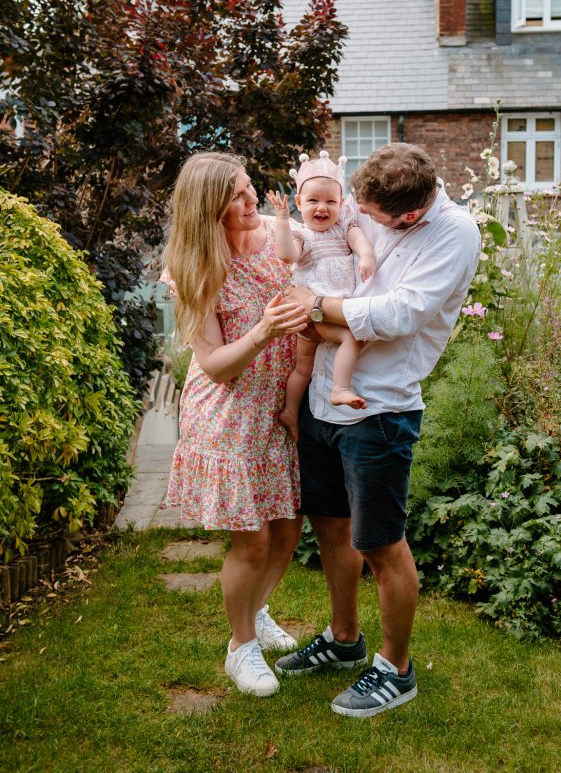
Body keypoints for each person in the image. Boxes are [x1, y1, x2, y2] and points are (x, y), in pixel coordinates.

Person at [275, 143, 481, 717]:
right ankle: (345, 640)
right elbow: (310, 235)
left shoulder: (454, 234)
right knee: (331, 526)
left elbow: (398, 314)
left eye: (367, 213)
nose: (356, 216)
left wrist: (315, 305)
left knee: (380, 542)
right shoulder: (365, 205)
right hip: (322, 394)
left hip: (379, 408)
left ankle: (396, 668)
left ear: (408, 215)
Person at [162, 152, 309, 698]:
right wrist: (264, 331)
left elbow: (332, 242)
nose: (252, 201)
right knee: (252, 540)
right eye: (237, 197)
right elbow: (215, 366)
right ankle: (240, 646)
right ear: (209, 210)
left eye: (250, 188)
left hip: (277, 406)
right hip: (229, 414)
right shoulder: (199, 268)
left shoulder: (275, 235)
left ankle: (257, 609)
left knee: (288, 528)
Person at [265, 151, 376, 437]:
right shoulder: (303, 236)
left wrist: (366, 256)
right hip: (315, 313)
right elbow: (286, 255)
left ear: (341, 203)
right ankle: (340, 388)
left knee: (303, 369)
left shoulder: (343, 228)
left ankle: (291, 411)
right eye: (313, 201)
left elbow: (359, 240)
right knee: (352, 337)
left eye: (330, 201)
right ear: (299, 202)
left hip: (326, 310)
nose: (321, 207)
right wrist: (282, 219)